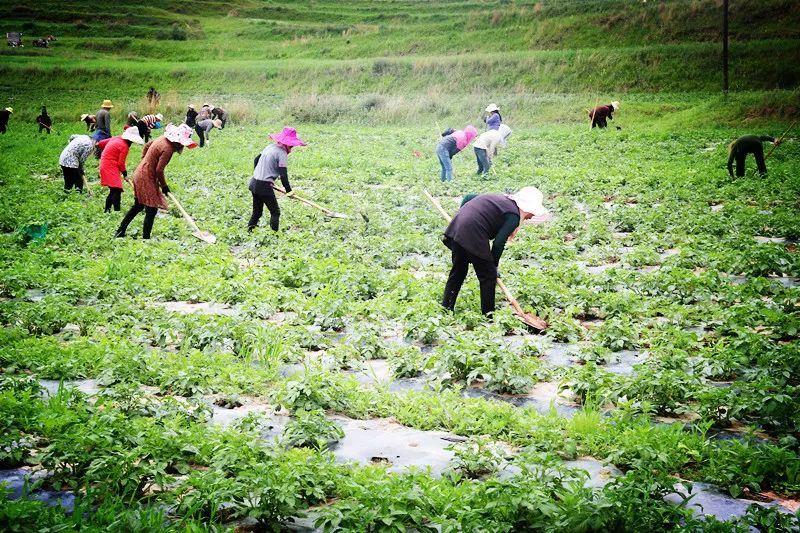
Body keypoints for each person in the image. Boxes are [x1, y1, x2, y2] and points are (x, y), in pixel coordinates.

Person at [441, 187, 549, 316]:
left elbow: (468, 197)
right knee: (488, 276)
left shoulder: (499, 199)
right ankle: (489, 315)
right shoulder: (514, 216)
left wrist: (463, 215)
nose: (531, 217)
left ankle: (446, 308)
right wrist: (493, 266)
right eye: (533, 213)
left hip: (458, 227)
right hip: (473, 231)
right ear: (528, 208)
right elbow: (498, 243)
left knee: (459, 270)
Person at [115, 124, 197, 239]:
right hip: (146, 176)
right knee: (151, 209)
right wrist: (164, 186)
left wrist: (144, 160)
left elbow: (147, 145)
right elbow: (159, 170)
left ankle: (120, 231)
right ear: (178, 142)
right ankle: (146, 239)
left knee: (138, 205)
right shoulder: (168, 148)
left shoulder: (161, 139)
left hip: (140, 172)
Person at [248, 127, 305, 232]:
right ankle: (274, 236)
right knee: (275, 212)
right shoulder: (282, 153)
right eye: (291, 145)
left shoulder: (269, 147)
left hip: (254, 182)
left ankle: (249, 232)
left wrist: (259, 173)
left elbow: (256, 160)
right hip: (264, 186)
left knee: (257, 212)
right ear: (287, 144)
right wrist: (289, 191)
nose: (292, 147)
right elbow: (283, 175)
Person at [97, 127, 144, 213]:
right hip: (109, 166)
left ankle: (107, 210)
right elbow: (121, 163)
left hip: (105, 164)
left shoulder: (116, 138)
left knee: (114, 189)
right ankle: (116, 211)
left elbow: (100, 143)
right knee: (116, 189)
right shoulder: (124, 146)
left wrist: (107, 153)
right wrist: (125, 174)